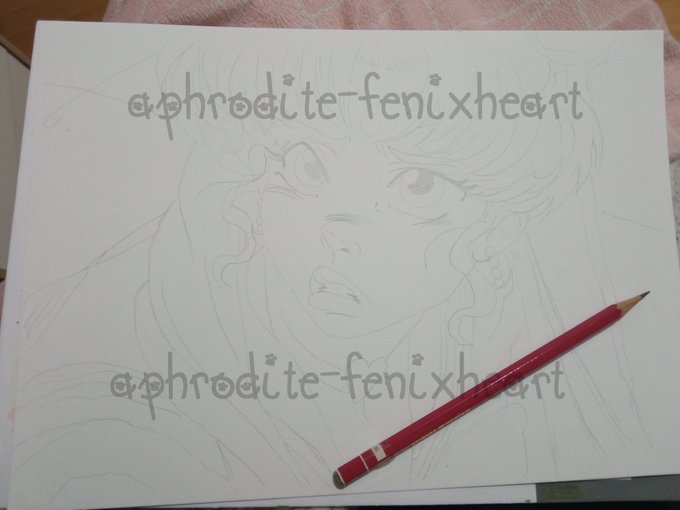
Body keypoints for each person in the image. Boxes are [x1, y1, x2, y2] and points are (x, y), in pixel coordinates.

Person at [10, 36, 646, 506]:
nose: (339, 231)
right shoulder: (101, 395)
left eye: (418, 185)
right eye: (308, 163)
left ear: (495, 226)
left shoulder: (548, 383)